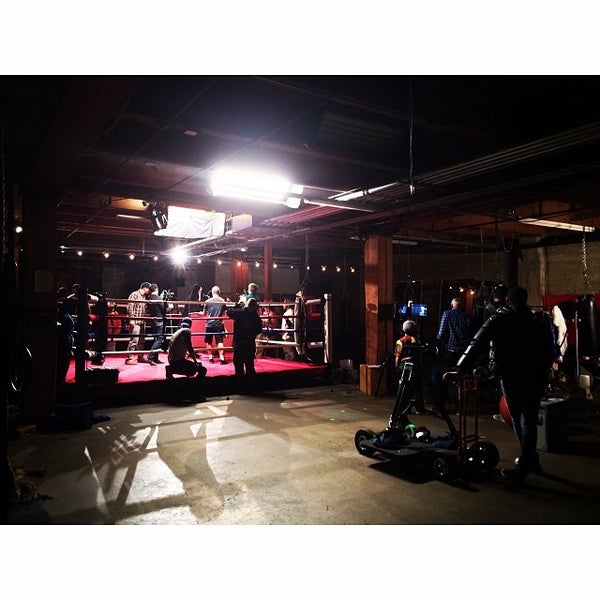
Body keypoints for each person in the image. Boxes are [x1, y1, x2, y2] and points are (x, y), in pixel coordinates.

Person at [454, 286, 555, 484]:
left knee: (518, 419)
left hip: (510, 376)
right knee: (529, 421)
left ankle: (524, 468)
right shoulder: (539, 320)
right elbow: (549, 349)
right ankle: (530, 460)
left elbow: (477, 343)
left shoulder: (499, 318)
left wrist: (459, 368)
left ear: (507, 300)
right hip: (534, 376)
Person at [430, 297, 471, 408]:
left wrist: (438, 345)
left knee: (439, 374)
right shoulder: (467, 316)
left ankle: (440, 403)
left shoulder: (447, 314)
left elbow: (441, 332)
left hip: (451, 351)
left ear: (452, 305)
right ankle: (459, 404)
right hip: (464, 353)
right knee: (458, 376)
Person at [226, 297, 263, 392]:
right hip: (250, 342)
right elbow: (258, 330)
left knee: (238, 365)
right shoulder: (256, 316)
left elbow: (229, 312)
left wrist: (238, 304)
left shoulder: (240, 312)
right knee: (249, 365)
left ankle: (240, 386)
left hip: (239, 342)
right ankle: (251, 386)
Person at [394, 320, 428, 414]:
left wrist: (397, 367)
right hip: (415, 364)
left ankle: (405, 408)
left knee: (404, 387)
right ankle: (419, 408)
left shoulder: (400, 341)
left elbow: (397, 356)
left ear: (403, 330)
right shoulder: (416, 340)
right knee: (417, 387)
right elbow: (420, 356)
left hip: (404, 365)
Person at [125, 281, 151, 365]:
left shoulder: (144, 297)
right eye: (149, 289)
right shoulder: (134, 294)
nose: (149, 291)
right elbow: (130, 306)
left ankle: (140, 357)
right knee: (134, 340)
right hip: (136, 321)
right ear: (145, 288)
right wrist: (131, 319)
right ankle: (128, 358)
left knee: (142, 340)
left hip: (142, 321)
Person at [203, 285, 228, 364]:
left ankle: (211, 358)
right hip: (218, 323)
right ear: (219, 292)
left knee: (208, 341)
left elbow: (203, 313)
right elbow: (224, 314)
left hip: (209, 323)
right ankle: (222, 358)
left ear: (212, 292)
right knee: (220, 341)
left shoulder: (207, 301)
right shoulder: (223, 301)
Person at [146, 283, 167, 365]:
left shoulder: (148, 298)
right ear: (156, 289)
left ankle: (155, 358)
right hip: (159, 321)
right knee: (160, 339)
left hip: (153, 321)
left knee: (156, 339)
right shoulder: (158, 298)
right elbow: (165, 310)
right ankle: (150, 357)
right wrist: (170, 306)